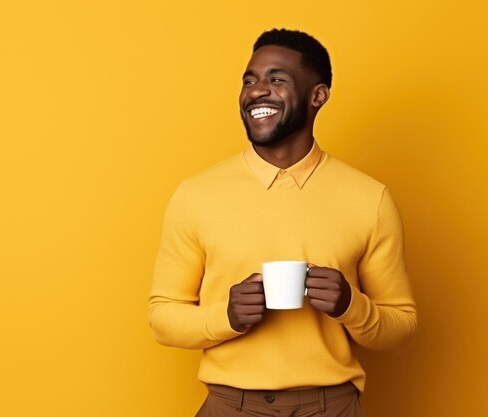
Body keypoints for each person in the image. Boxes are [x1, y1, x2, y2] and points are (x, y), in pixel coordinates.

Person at [148, 28, 417, 417]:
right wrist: (227, 316)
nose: (256, 91)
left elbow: (402, 326)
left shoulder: (369, 198)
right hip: (229, 405)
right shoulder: (196, 195)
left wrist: (350, 305)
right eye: (249, 80)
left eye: (276, 79)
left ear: (318, 95)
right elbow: (162, 317)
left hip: (333, 405)